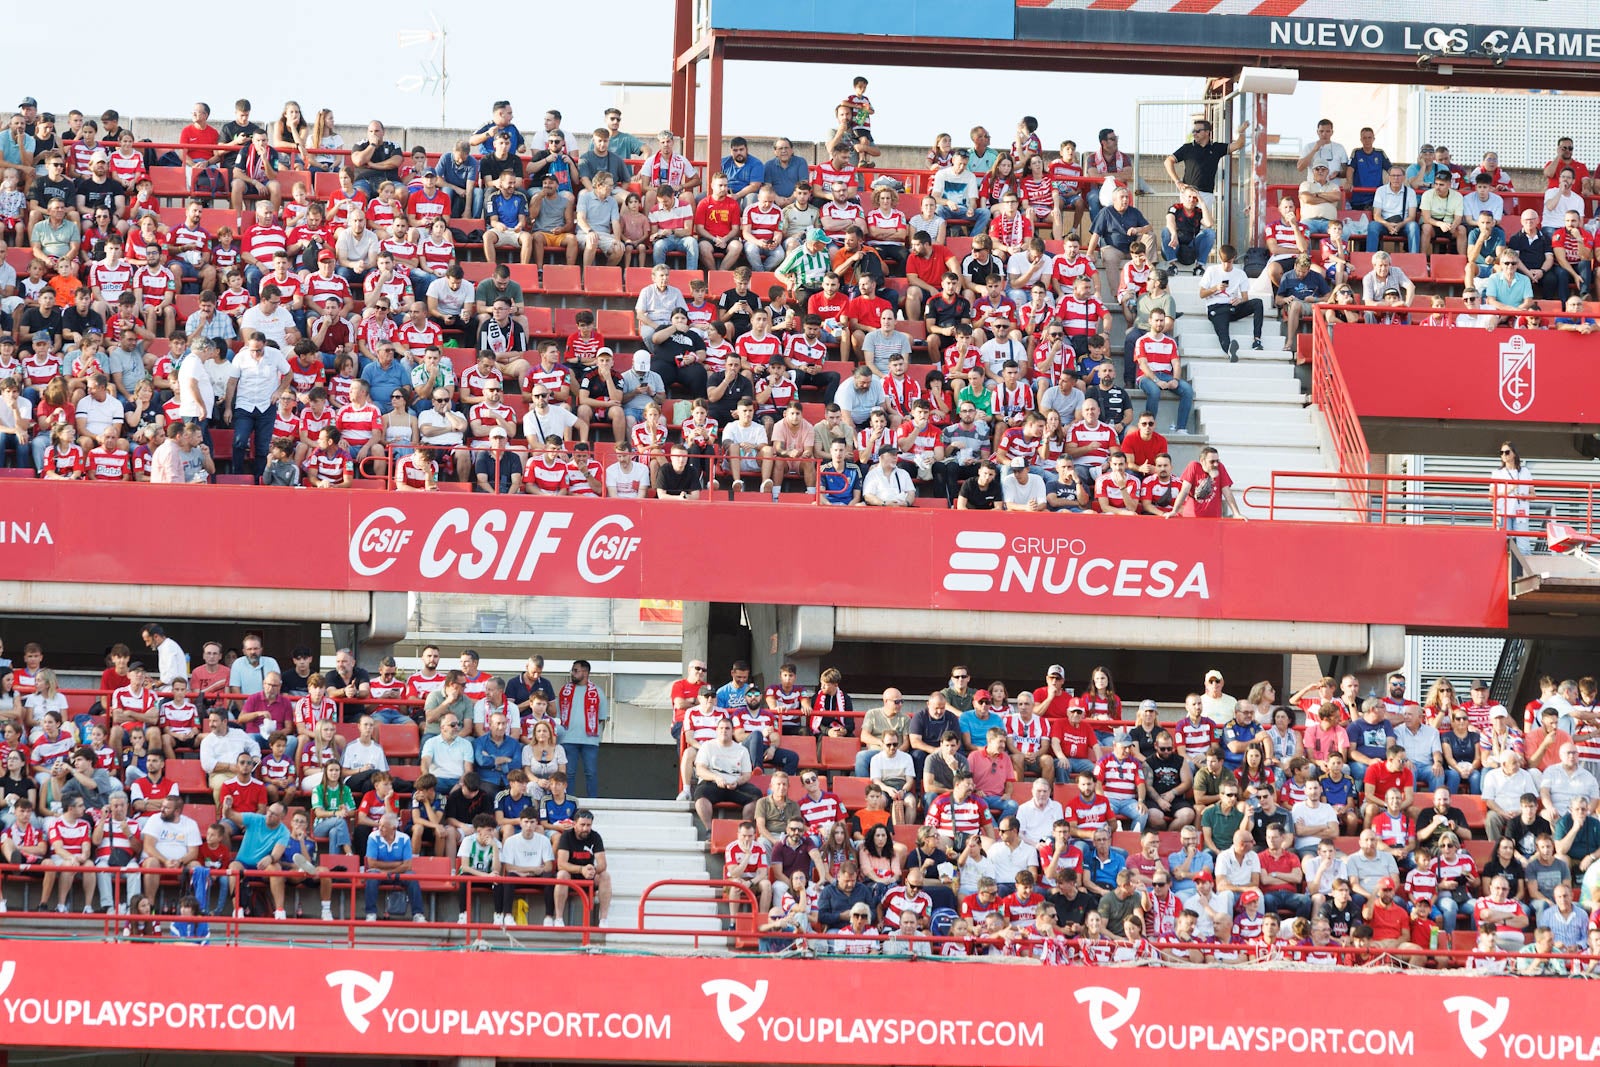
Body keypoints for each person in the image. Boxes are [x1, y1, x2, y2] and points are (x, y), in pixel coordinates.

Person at [1198, 244, 1262, 360]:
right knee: (1222, 331)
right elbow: (1202, 294)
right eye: (1224, 262)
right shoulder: (1211, 270)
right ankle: (1229, 350)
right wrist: (1215, 288)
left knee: (1258, 302)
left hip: (1233, 306)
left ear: (1234, 259)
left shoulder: (1240, 273)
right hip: (1216, 308)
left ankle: (1257, 340)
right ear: (1220, 259)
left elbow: (1245, 297)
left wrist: (1240, 300)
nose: (1227, 265)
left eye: (1230, 262)